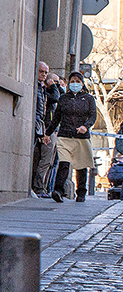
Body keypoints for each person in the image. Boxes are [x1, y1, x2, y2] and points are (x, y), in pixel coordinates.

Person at [44, 70, 97, 203]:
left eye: (77, 82)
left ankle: (81, 192)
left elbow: (93, 116)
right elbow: (56, 118)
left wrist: (85, 126)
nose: (75, 84)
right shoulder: (64, 99)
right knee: (64, 163)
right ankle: (58, 190)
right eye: (72, 82)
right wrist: (47, 133)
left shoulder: (89, 99)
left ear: (82, 84)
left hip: (81, 136)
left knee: (81, 165)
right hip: (65, 135)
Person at [31, 63, 61, 197]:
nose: (43, 75)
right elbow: (55, 98)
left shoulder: (43, 88)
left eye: (45, 72)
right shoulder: (38, 87)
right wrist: (54, 86)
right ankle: (38, 188)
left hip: (44, 128)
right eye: (41, 72)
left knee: (49, 162)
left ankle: (41, 187)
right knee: (42, 161)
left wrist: (56, 85)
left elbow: (60, 98)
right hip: (41, 127)